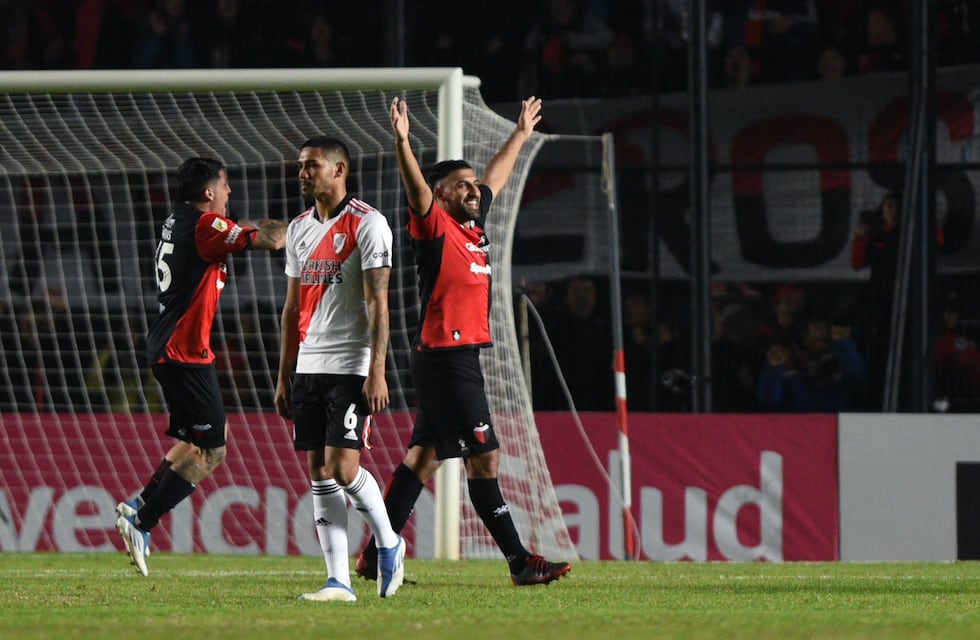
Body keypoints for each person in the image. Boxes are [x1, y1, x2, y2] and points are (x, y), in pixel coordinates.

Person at [354, 95, 572, 587]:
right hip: (446, 359)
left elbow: (495, 177)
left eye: (473, 184)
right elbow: (416, 189)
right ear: (441, 193)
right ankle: (520, 562)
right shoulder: (434, 225)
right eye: (462, 185)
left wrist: (518, 135)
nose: (474, 190)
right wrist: (403, 143)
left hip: (457, 356)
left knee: (423, 458)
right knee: (484, 457)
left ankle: (372, 556)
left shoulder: (473, 227)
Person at [114, 157, 287, 576]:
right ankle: (142, 520)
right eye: (225, 185)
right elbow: (273, 240)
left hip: (179, 349)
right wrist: (308, 221)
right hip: (183, 352)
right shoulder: (206, 227)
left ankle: (139, 504)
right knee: (213, 449)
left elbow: (236, 228)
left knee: (210, 437)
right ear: (209, 192)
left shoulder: (180, 220)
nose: (230, 193)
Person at [274, 136, 404, 602]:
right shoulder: (298, 229)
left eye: (312, 165)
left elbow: (379, 303)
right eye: (300, 166)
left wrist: (377, 369)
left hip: (351, 363)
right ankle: (339, 581)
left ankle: (389, 542)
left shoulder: (369, 224)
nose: (303, 173)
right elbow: (291, 310)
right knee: (318, 473)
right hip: (309, 363)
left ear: (339, 169)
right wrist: (283, 375)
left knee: (344, 468)